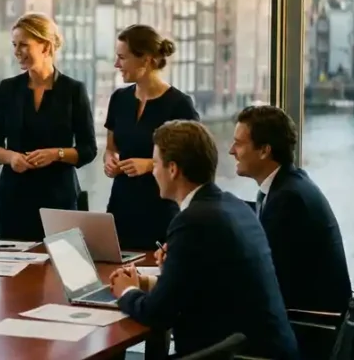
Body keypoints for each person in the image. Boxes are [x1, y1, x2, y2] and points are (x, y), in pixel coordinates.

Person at [109, 120, 298, 359]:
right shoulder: (233, 205)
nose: (154, 171)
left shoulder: (193, 221)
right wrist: (152, 279)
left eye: (156, 163)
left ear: (173, 169)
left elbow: (157, 314)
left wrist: (127, 291)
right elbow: (208, 285)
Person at [0, 12, 97, 241]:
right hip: (13, 198)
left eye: (24, 45)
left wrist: (56, 154)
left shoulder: (73, 90)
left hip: (59, 199)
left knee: (60, 271)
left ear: (46, 47)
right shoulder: (7, 89)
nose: (17, 52)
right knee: (12, 272)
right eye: (14, 44)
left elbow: (88, 150)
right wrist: (11, 158)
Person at [231, 105, 352, 315]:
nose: (232, 150)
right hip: (310, 316)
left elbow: (263, 277)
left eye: (239, 144)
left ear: (264, 150)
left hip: (308, 328)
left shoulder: (288, 201)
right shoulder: (291, 184)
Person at [104, 25, 198, 249]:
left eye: (122, 58)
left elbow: (193, 160)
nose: (117, 64)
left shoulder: (180, 104)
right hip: (120, 207)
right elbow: (111, 147)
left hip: (160, 209)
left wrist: (149, 164)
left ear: (145, 60)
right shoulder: (118, 98)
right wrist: (109, 160)